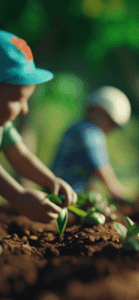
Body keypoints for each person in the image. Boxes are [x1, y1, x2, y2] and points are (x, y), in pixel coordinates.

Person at [0, 30, 77, 223]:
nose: (24, 109)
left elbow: (21, 155)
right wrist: (18, 196)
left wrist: (49, 180)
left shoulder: (3, 125)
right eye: (18, 99)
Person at [51, 86, 131, 201]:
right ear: (98, 111)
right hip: (64, 199)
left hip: (58, 193)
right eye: (112, 123)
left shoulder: (78, 127)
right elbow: (109, 182)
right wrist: (131, 201)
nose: (111, 129)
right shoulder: (90, 134)